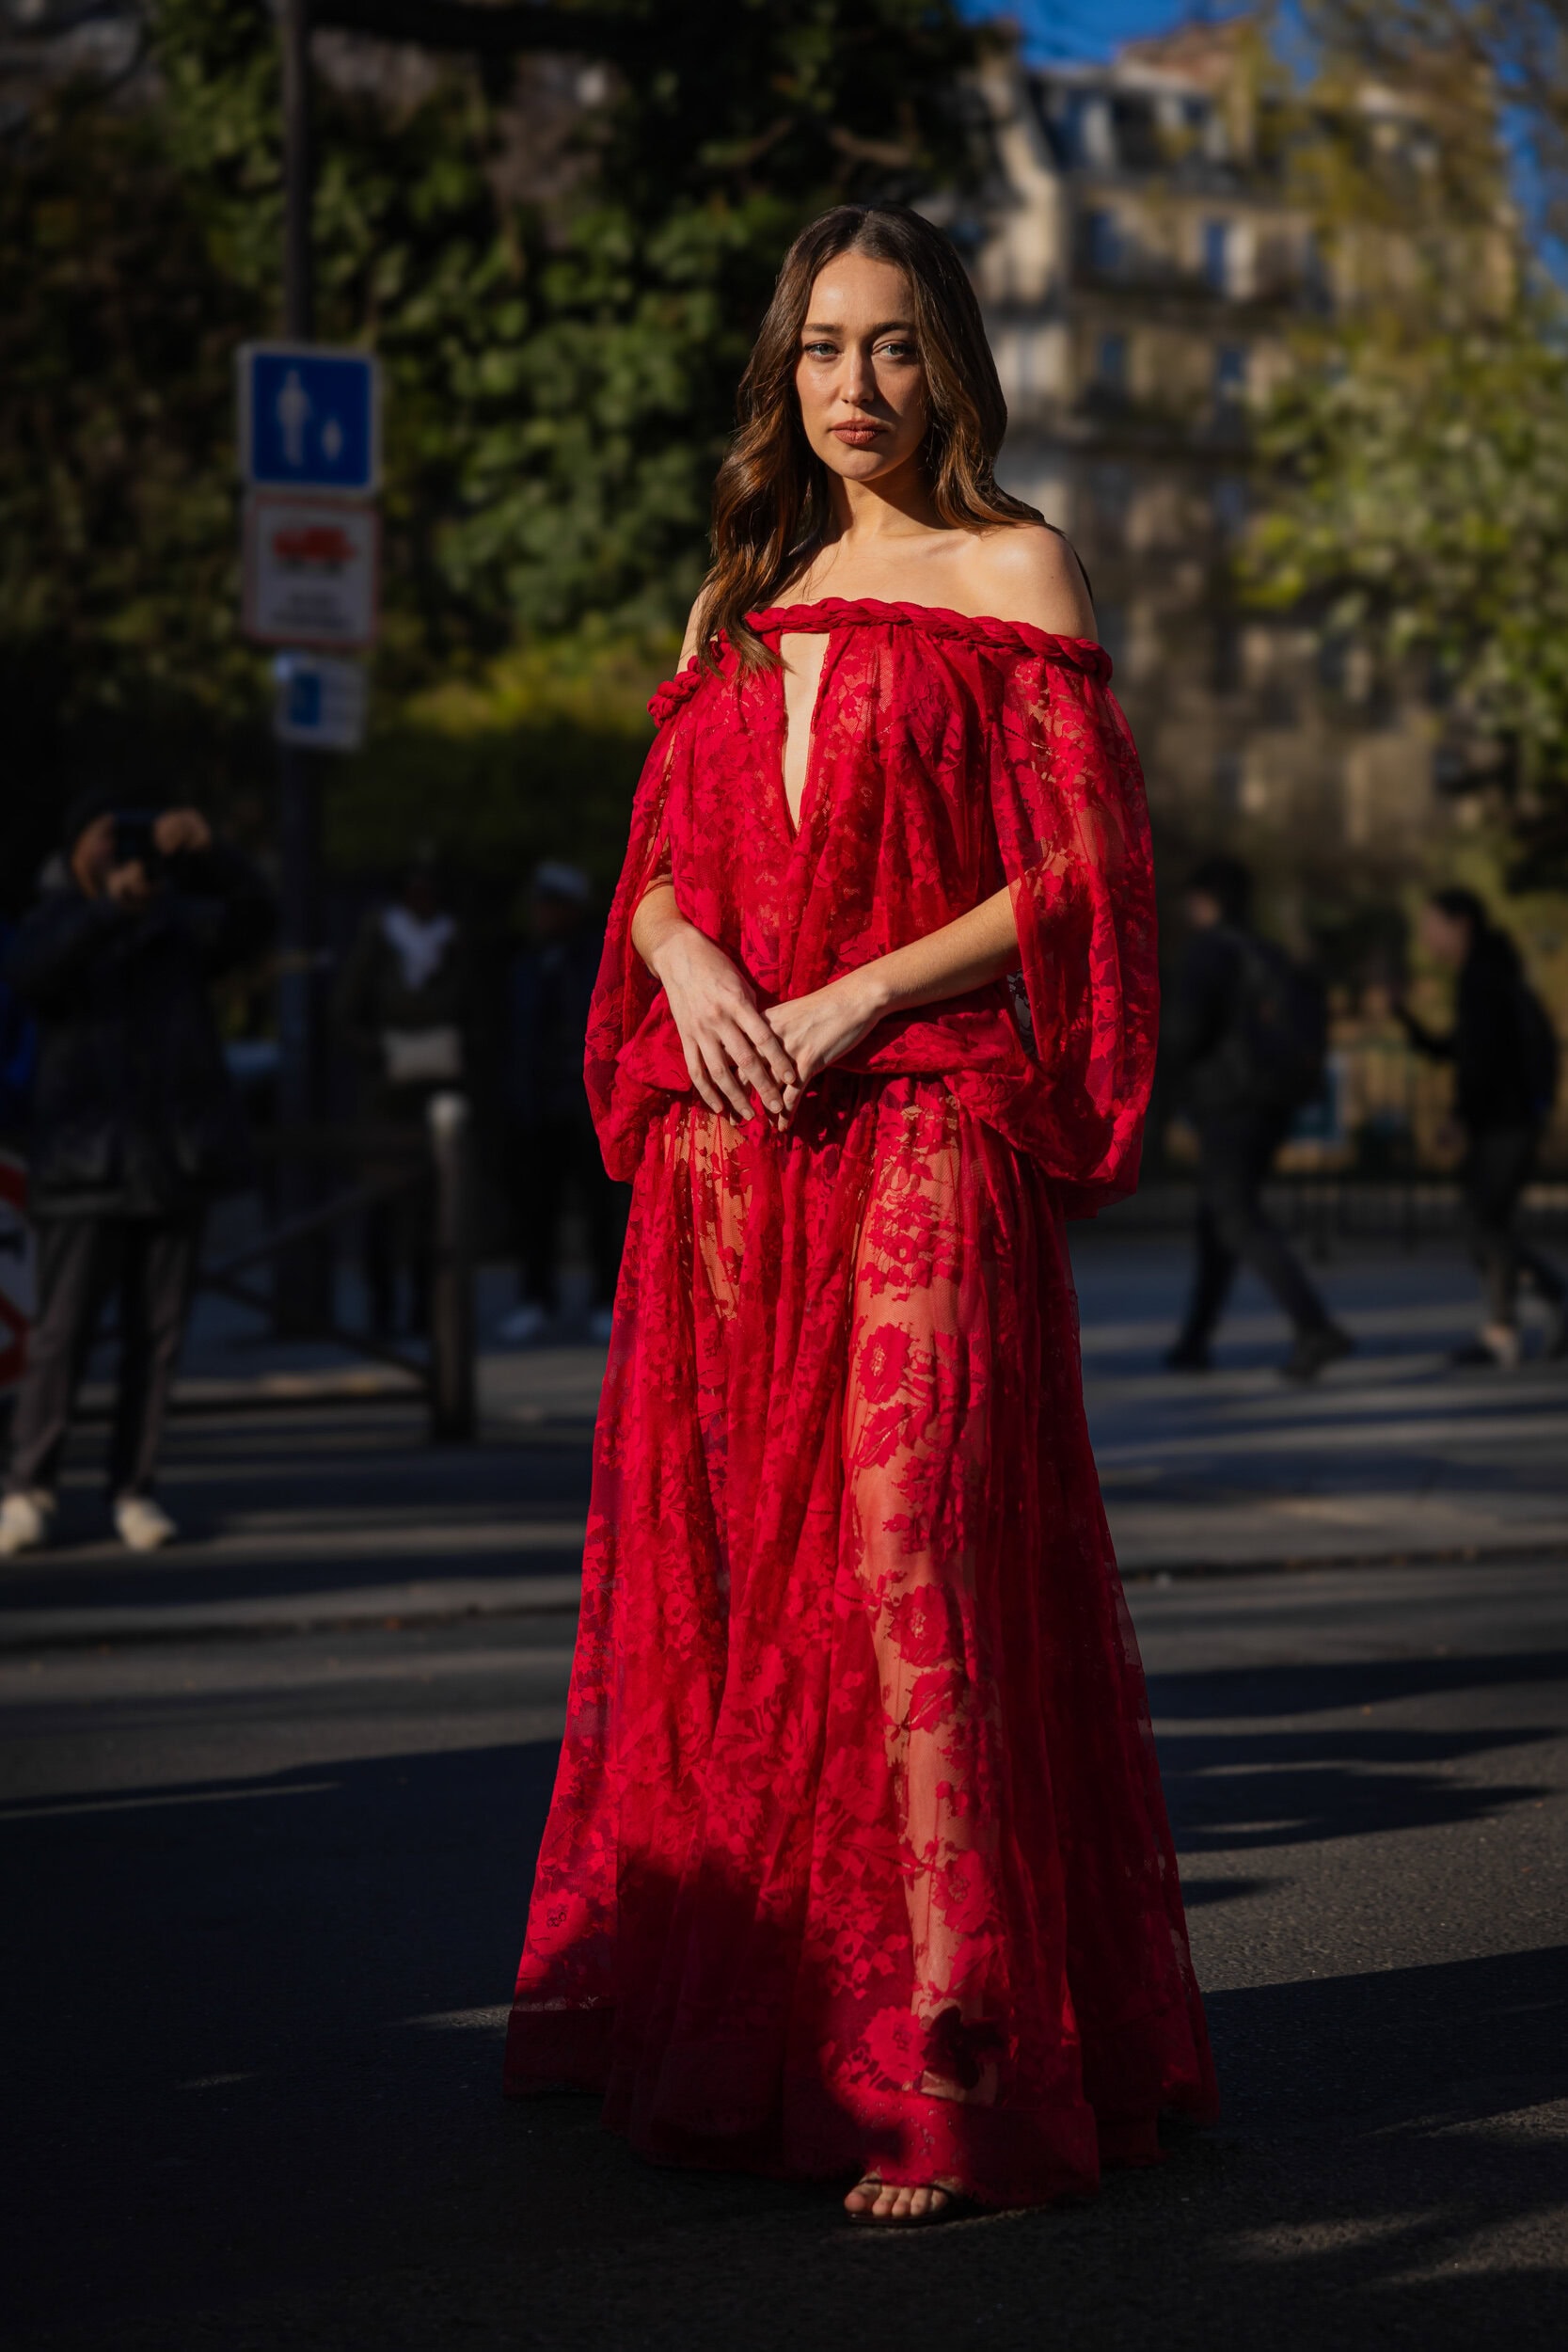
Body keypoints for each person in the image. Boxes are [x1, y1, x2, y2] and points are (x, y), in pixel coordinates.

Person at [503, 204, 1215, 2225]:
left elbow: (1082, 880)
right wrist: (688, 962)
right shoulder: (740, 589)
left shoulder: (1013, 565)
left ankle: (953, 2059)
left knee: (912, 1553)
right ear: (779, 372)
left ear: (951, 363)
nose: (853, 388)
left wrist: (859, 985)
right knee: (739, 1583)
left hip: (919, 1114)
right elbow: (651, 867)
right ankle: (759, 2017)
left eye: (892, 347)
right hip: (736, 1159)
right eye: (821, 348)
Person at [0, 791, 274, 1555]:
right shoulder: (56, 917)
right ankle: (30, 1484)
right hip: (84, 1163)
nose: (120, 855)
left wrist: (210, 853)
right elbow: (30, 975)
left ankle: (134, 1487)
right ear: (74, 850)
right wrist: (105, 912)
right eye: (103, 839)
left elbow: (255, 921)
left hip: (171, 1157)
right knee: (61, 1332)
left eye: (131, 841)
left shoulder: (177, 923)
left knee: (157, 1338)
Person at [1164, 854, 1353, 1382]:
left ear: (1205, 901)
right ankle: (1194, 1340)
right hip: (1273, 1102)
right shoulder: (1270, 953)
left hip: (1228, 1104)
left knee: (1236, 1216)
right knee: (1218, 1219)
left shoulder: (1207, 953)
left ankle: (1315, 1327)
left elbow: (1185, 1034)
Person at [1398, 886, 1565, 1367]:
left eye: (1432, 924)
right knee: (1488, 1223)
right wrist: (1403, 1016)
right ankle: (1503, 1329)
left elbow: (1482, 1059)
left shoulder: (1482, 977)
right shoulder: (1490, 971)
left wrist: (1460, 1117)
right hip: (1509, 1116)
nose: (1427, 935)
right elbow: (1460, 1048)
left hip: (1504, 1119)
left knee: (1481, 1223)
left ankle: (1538, 1303)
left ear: (1460, 923)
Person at [335, 853, 476, 1336]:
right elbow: (344, 1015)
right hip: (385, 1094)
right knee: (381, 1205)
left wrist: (454, 1047)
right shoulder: (378, 940)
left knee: (434, 1208)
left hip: (438, 1095)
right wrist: (383, 1050)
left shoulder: (454, 941)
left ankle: (425, 1307)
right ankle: (382, 1307)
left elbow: (476, 1013)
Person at [498, 862, 626, 1345]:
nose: (542, 915)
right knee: (536, 1208)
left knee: (598, 1208)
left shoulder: (593, 957)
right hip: (535, 1104)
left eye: (553, 906)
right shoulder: (525, 964)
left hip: (584, 1101)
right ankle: (536, 1298)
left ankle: (602, 1300)